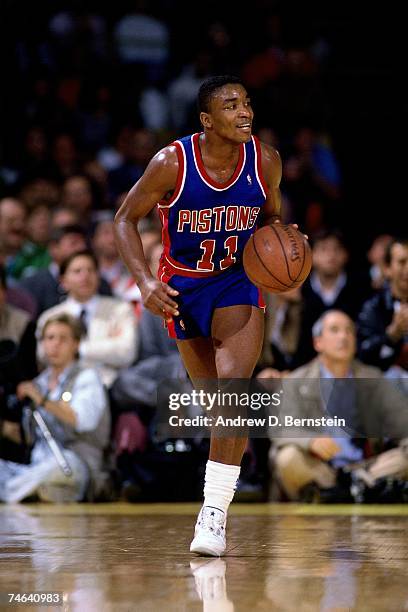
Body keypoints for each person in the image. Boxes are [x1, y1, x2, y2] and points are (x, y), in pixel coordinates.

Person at [114, 75, 292, 556]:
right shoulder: (172, 162)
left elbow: (271, 221)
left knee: (231, 397)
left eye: (248, 102)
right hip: (184, 286)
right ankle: (213, 504)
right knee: (216, 406)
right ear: (207, 120)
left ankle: (213, 515)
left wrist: (285, 251)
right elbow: (125, 219)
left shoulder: (265, 160)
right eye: (231, 105)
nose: (244, 111)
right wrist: (145, 280)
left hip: (236, 279)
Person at [270, 310, 408, 501]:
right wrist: (311, 441)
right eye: (334, 330)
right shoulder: (296, 380)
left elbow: (402, 420)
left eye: (349, 331)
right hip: (319, 468)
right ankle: (338, 493)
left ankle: (358, 488)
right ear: (317, 342)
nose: (343, 336)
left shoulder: (372, 378)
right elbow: (279, 427)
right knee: (287, 458)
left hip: (369, 468)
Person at [0, 313, 110, 503]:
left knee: (62, 469)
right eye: (50, 338)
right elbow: (28, 436)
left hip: (76, 464)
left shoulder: (88, 377)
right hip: (37, 465)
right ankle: (28, 492)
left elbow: (81, 420)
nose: (55, 344)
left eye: (63, 339)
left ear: (76, 344)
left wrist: (40, 399)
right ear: (42, 343)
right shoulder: (38, 383)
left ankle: (11, 493)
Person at [36, 249, 138, 388]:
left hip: (110, 386)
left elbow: (127, 352)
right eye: (77, 271)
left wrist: (76, 349)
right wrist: (109, 346)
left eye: (91, 270)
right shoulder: (50, 317)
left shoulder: (120, 309)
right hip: (62, 388)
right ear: (63, 281)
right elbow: (43, 354)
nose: (85, 276)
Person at [357, 237, 408, 373]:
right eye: (402, 262)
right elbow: (363, 357)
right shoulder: (372, 307)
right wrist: (391, 335)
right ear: (387, 268)